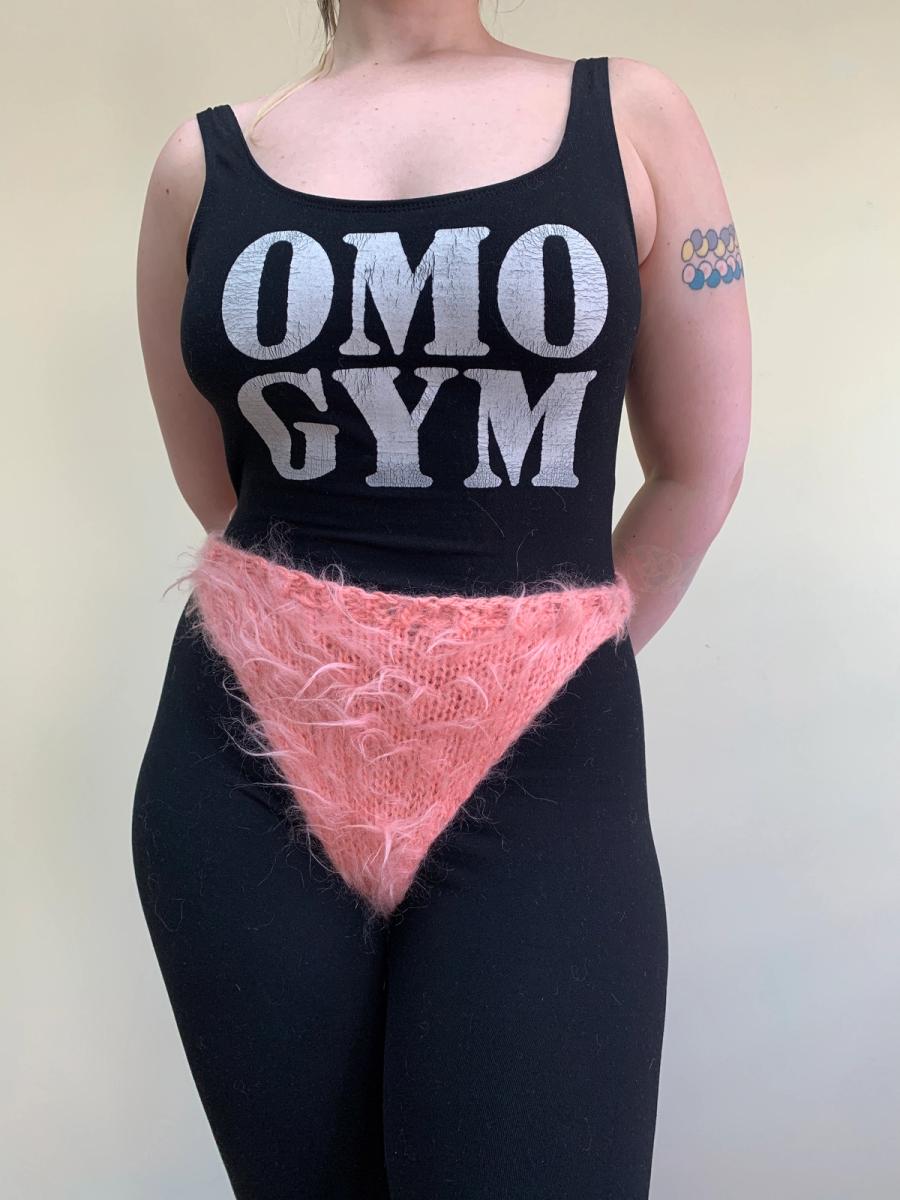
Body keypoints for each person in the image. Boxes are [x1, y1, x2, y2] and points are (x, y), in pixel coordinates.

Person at [132, 2, 752, 1196]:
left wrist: (533, 661)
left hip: (542, 748)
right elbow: (222, 490)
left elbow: (697, 471)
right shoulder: (196, 165)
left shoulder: (632, 115)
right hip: (246, 759)